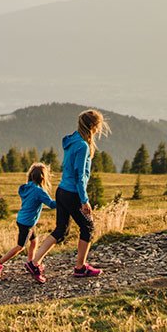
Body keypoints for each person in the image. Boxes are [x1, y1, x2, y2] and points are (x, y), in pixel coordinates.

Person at [27, 109, 110, 279]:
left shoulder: (72, 141)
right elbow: (80, 176)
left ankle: (34, 262)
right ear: (93, 126)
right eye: (99, 125)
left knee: (61, 229)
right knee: (88, 227)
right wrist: (84, 200)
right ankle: (80, 268)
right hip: (72, 193)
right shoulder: (82, 146)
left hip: (62, 191)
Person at [0, 162, 56, 280]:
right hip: (27, 223)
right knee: (20, 246)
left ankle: (31, 264)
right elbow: (52, 204)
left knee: (34, 242)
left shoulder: (25, 187)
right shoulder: (39, 191)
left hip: (23, 219)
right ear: (43, 178)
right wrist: (64, 201)